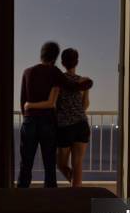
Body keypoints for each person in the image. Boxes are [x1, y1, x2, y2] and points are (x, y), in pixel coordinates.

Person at [18, 41, 93, 188]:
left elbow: (23, 100)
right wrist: (88, 83)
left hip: (38, 122)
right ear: (55, 57)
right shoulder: (56, 73)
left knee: (27, 163)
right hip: (60, 123)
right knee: (53, 164)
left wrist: (28, 114)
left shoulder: (28, 72)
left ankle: (21, 197)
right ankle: (56, 199)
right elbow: (75, 92)